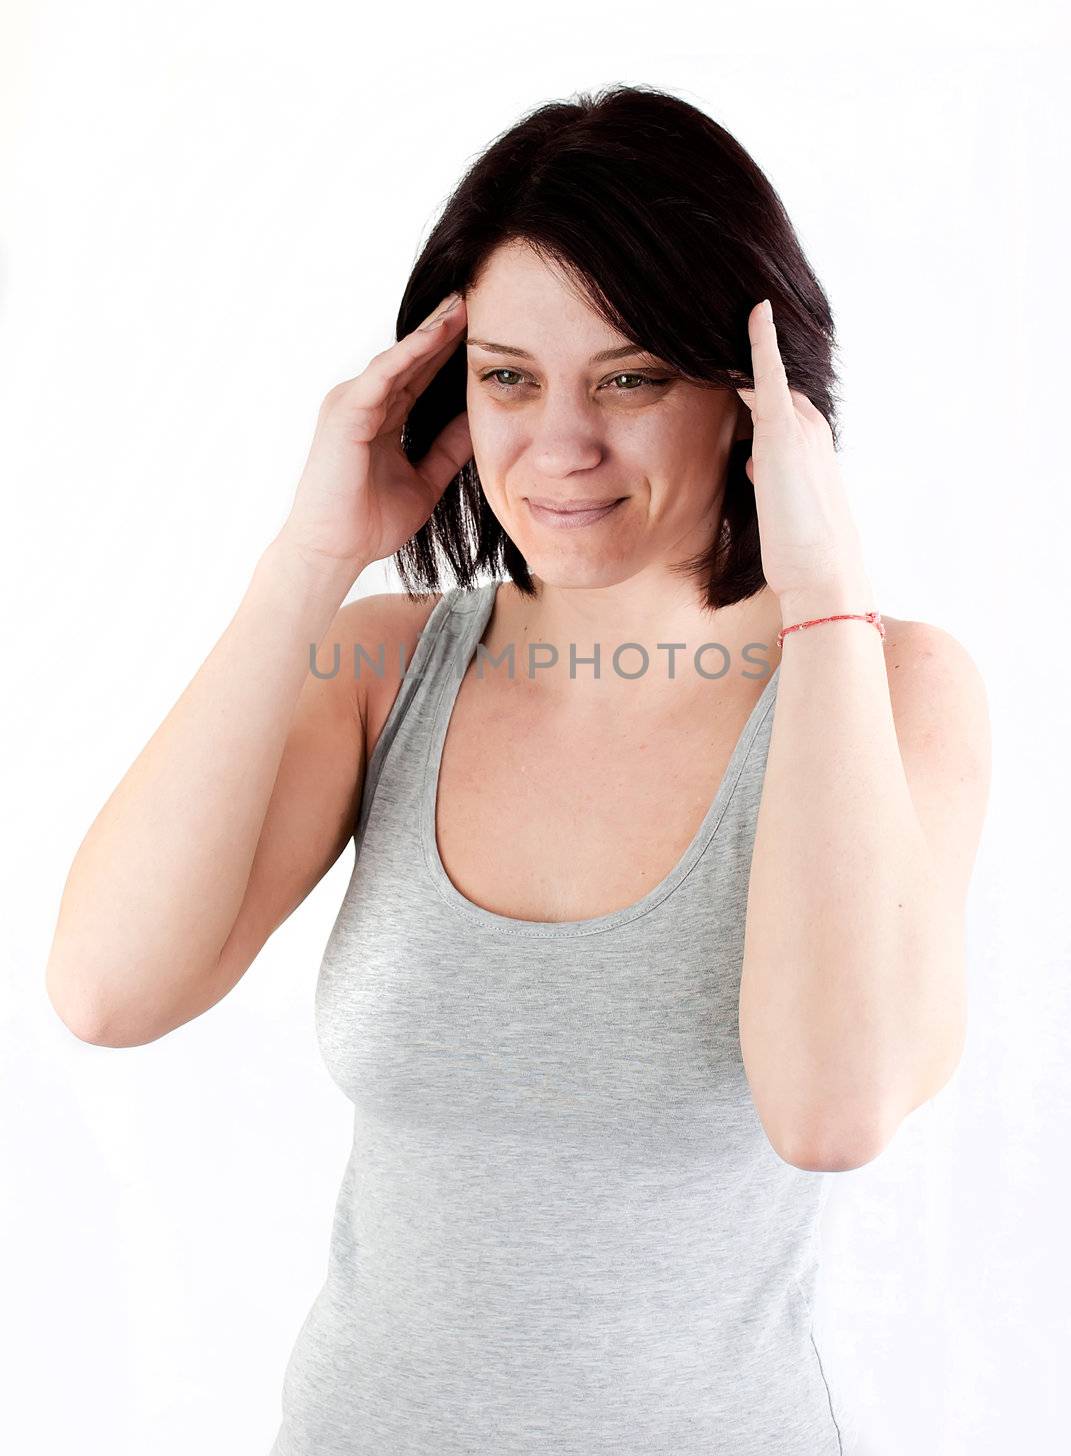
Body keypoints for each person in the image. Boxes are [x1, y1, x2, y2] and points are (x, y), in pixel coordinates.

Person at [46, 84, 991, 1455]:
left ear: (751, 397)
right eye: (509, 377)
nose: (559, 448)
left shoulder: (889, 685)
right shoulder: (381, 670)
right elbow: (108, 990)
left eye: (630, 377)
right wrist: (307, 559)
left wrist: (826, 601)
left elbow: (834, 1110)